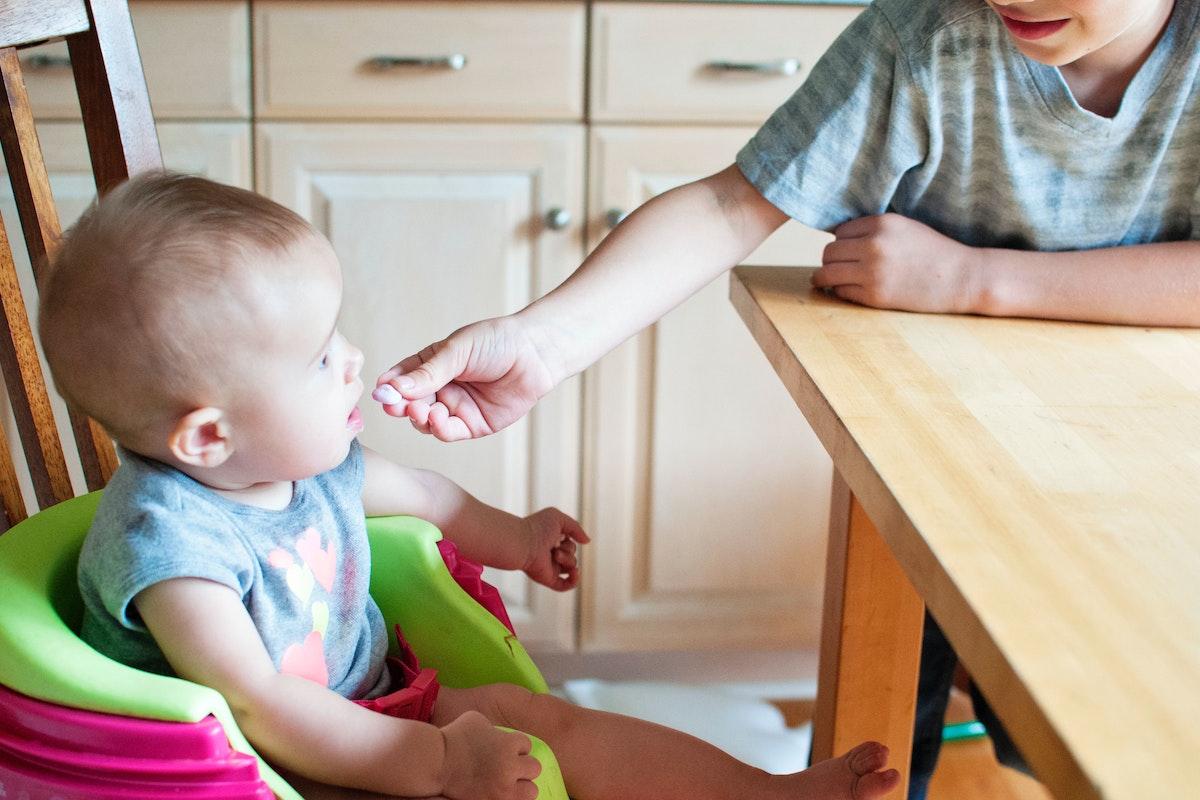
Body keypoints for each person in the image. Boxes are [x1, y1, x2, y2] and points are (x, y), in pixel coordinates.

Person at [371, 1, 1200, 796]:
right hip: (937, 454)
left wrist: (973, 278)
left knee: (1097, 723)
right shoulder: (923, 37)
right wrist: (543, 343)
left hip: (1148, 470)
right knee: (892, 717)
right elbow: (733, 203)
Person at [38, 172, 900, 800]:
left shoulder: (303, 464)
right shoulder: (175, 551)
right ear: (209, 436)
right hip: (255, 769)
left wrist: (518, 538)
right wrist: (441, 764)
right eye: (317, 359)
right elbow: (256, 707)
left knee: (542, 719)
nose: (354, 362)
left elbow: (429, 496)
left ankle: (762, 793)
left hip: (372, 705)